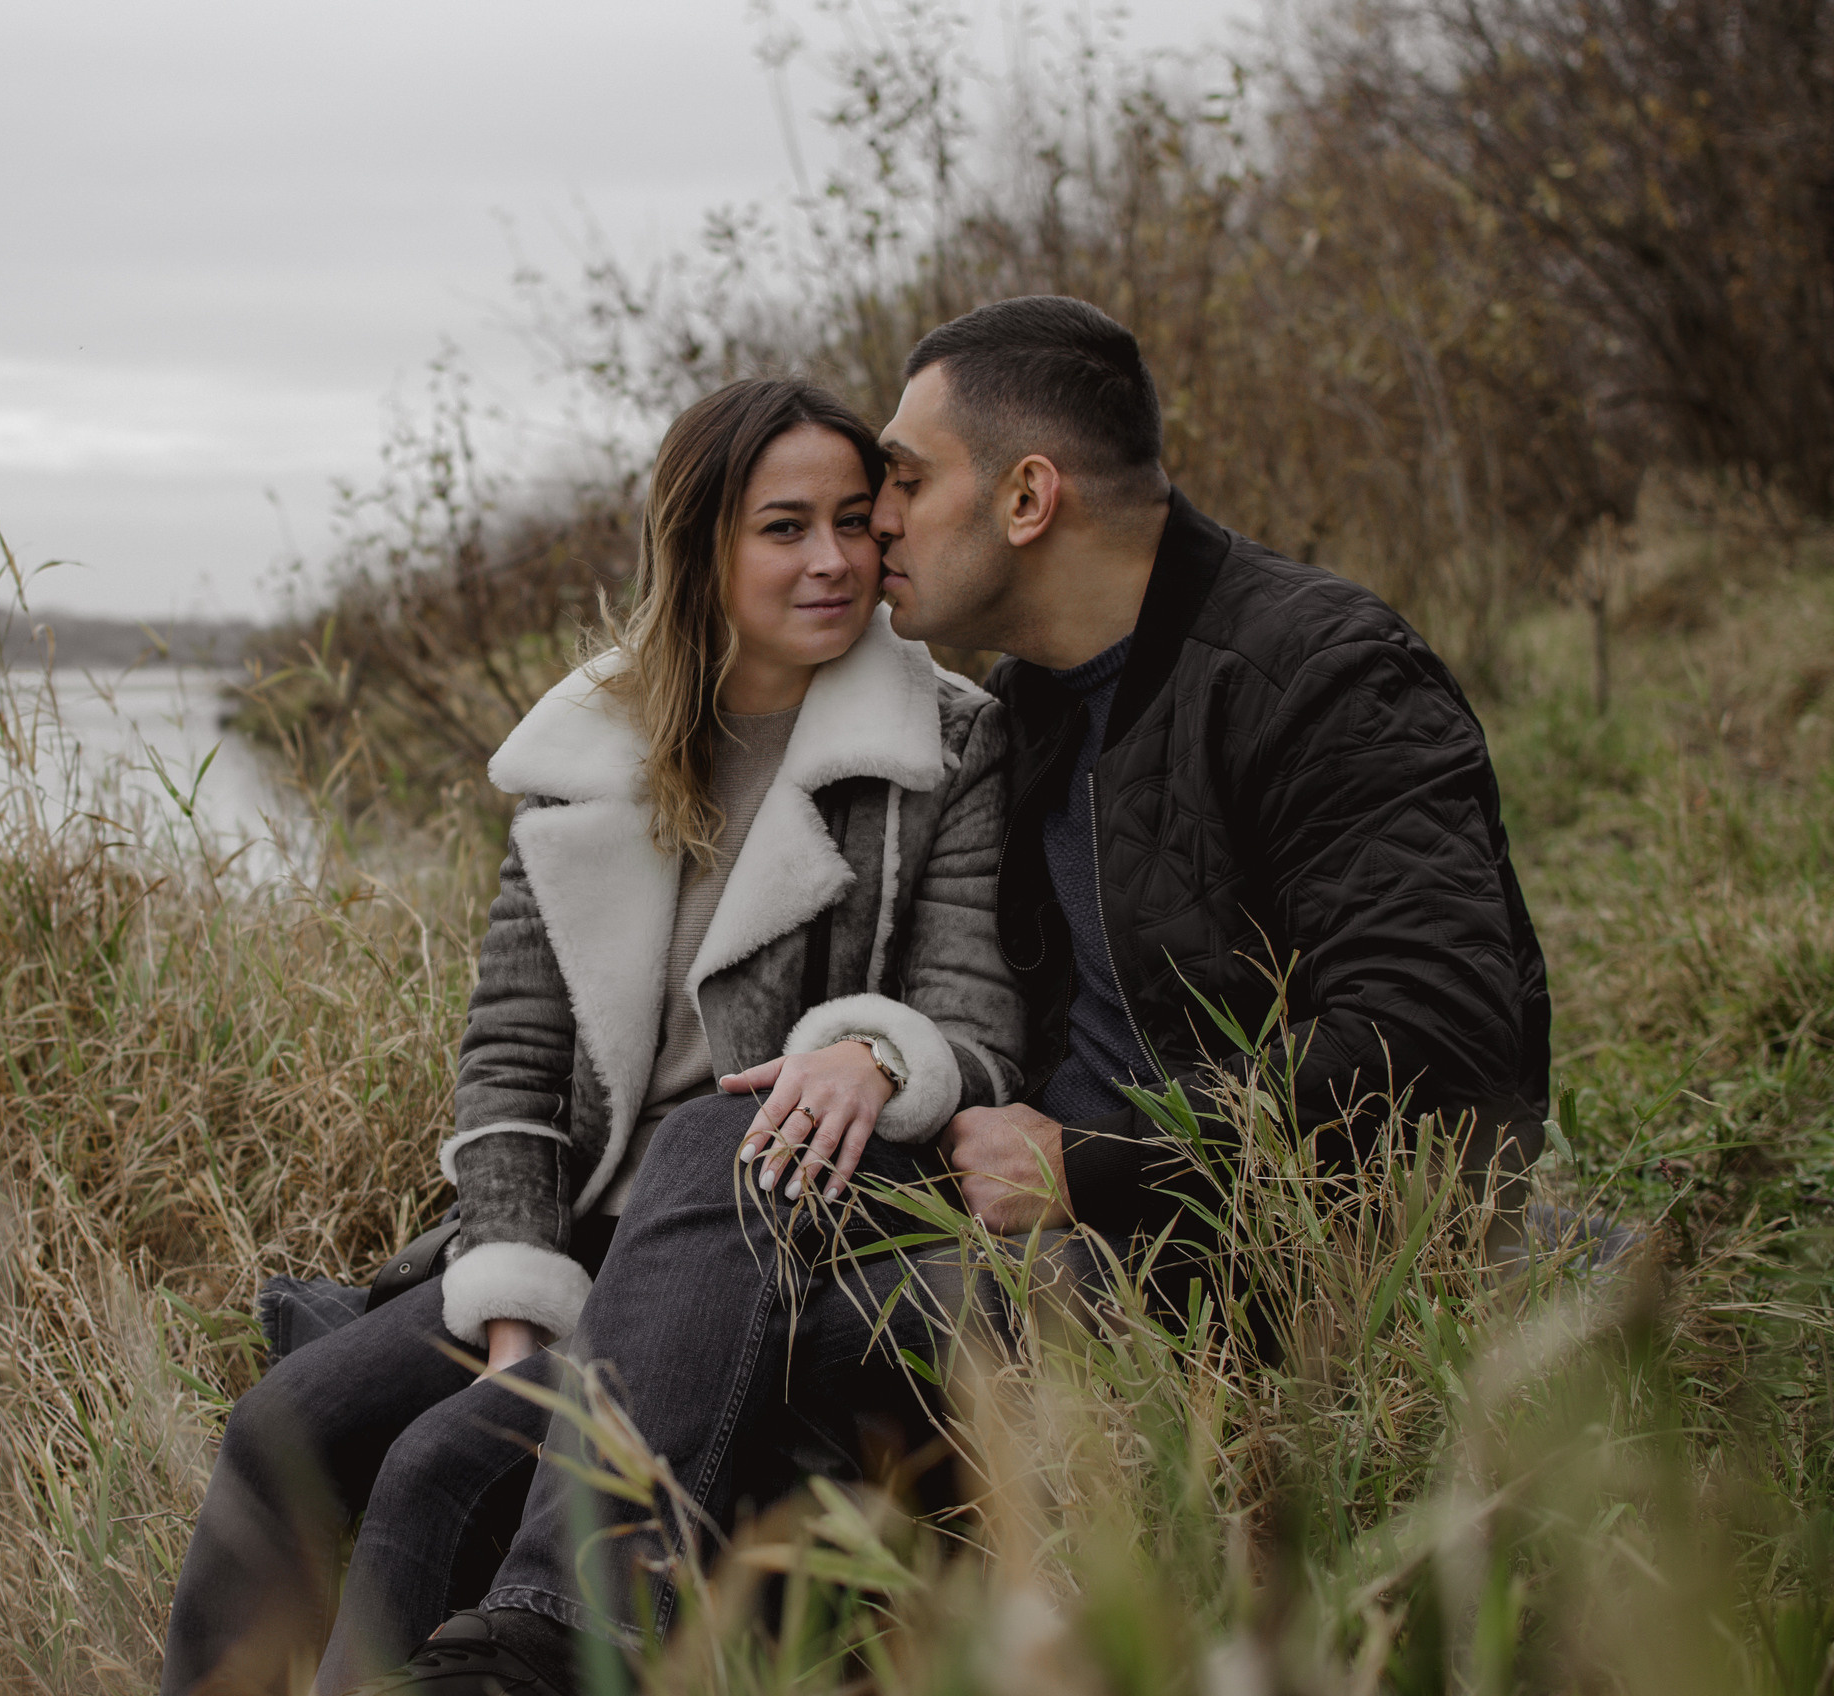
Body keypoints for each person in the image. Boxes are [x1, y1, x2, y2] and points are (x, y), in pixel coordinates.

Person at [363, 295, 1551, 1695]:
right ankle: (543, 1622)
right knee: (712, 1157)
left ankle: (566, 1642)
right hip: (1003, 1203)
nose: (876, 527)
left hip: (1227, 1250)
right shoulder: (1029, 716)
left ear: (1029, 498)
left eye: (905, 483)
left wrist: (1093, 1161)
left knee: (646, 1378)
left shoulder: (1317, 672)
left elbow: (1440, 1038)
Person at [158, 375, 1028, 1696]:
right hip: (578, 1233)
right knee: (284, 1427)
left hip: (760, 1219)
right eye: (785, 527)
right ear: (699, 547)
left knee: (437, 1471)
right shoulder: (587, 752)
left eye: (855, 520)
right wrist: (515, 1308)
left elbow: (975, 1021)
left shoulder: (945, 741)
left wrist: (873, 1052)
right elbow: (509, 1060)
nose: (834, 559)